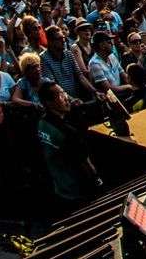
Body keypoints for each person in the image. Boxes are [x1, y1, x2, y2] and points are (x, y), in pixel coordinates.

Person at [36, 81, 99, 210]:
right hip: (78, 194)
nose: (66, 97)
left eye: (64, 93)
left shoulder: (41, 124)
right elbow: (88, 167)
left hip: (60, 190)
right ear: (49, 103)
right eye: (60, 95)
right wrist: (98, 183)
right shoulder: (68, 133)